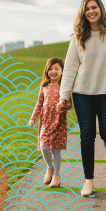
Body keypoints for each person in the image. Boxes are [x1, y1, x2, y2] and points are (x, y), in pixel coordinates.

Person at [58, 0, 106, 197]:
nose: (91, 11)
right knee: (87, 136)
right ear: (83, 12)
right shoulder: (77, 37)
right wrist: (64, 96)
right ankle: (88, 180)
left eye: (94, 7)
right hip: (83, 94)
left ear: (101, 9)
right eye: (87, 8)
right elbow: (70, 69)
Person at [29, 57, 69, 188]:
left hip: (59, 123)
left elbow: (69, 104)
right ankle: (50, 168)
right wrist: (33, 118)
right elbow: (39, 104)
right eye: (50, 69)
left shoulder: (64, 87)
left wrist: (64, 106)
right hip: (46, 123)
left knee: (56, 150)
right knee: (45, 147)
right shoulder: (44, 87)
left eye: (56, 69)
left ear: (62, 71)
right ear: (46, 71)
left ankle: (56, 177)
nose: (53, 71)